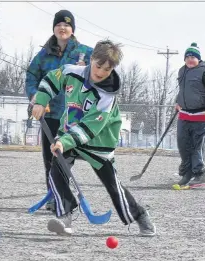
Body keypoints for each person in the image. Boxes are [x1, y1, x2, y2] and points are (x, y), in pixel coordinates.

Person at [31, 40, 156, 237]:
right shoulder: (70, 71)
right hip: (70, 132)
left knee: (113, 185)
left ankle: (140, 215)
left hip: (99, 141)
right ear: (91, 59)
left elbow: (90, 127)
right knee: (57, 169)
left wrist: (64, 141)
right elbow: (50, 80)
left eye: (107, 69)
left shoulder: (107, 95)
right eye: (98, 66)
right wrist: (40, 101)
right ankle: (65, 215)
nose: (100, 72)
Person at [25, 10, 93, 212]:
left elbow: (101, 73)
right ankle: (55, 196)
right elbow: (31, 77)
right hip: (50, 114)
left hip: (74, 114)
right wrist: (35, 96)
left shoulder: (85, 52)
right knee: (50, 157)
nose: (62, 28)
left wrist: (85, 69)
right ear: (54, 28)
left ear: (72, 29)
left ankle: (63, 194)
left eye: (67, 25)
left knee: (64, 156)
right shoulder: (44, 55)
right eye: (59, 25)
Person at [175, 42, 205, 186]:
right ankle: (186, 172)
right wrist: (178, 101)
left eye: (193, 57)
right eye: (187, 56)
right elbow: (182, 90)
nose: (190, 59)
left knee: (195, 145)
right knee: (182, 144)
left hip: (201, 114)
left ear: (198, 58)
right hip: (184, 114)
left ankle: (199, 172)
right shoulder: (182, 71)